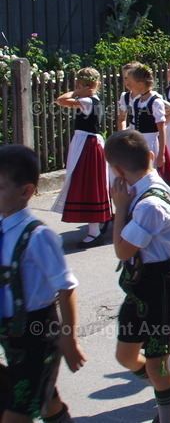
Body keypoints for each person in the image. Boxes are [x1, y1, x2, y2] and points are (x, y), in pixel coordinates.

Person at [107, 129, 170, 423]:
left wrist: (120, 209)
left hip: (161, 285)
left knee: (158, 366)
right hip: (140, 285)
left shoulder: (148, 204)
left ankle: (167, 407)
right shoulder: (142, 190)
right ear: (151, 156)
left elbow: (122, 251)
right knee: (126, 356)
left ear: (117, 171)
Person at [0, 145, 84, 423]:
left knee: (18, 411)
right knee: (46, 401)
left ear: (25, 192)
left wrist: (68, 339)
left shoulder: (38, 236)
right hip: (10, 336)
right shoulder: (3, 228)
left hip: (38, 336)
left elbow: (66, 287)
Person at [53, 67, 113, 248]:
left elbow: (60, 100)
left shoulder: (86, 100)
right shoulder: (91, 100)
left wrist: (78, 91)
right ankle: (95, 228)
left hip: (87, 145)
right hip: (86, 143)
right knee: (88, 183)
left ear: (79, 84)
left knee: (87, 183)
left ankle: (94, 231)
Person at [127, 64, 170, 191]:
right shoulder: (137, 102)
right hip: (139, 142)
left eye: (131, 82)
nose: (129, 85)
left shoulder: (155, 101)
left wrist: (161, 154)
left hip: (151, 142)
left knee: (151, 173)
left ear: (140, 84)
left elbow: (161, 128)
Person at [117, 61, 143, 131]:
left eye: (131, 78)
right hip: (133, 133)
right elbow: (121, 119)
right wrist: (123, 135)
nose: (128, 81)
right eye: (125, 78)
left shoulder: (149, 96)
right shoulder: (125, 96)